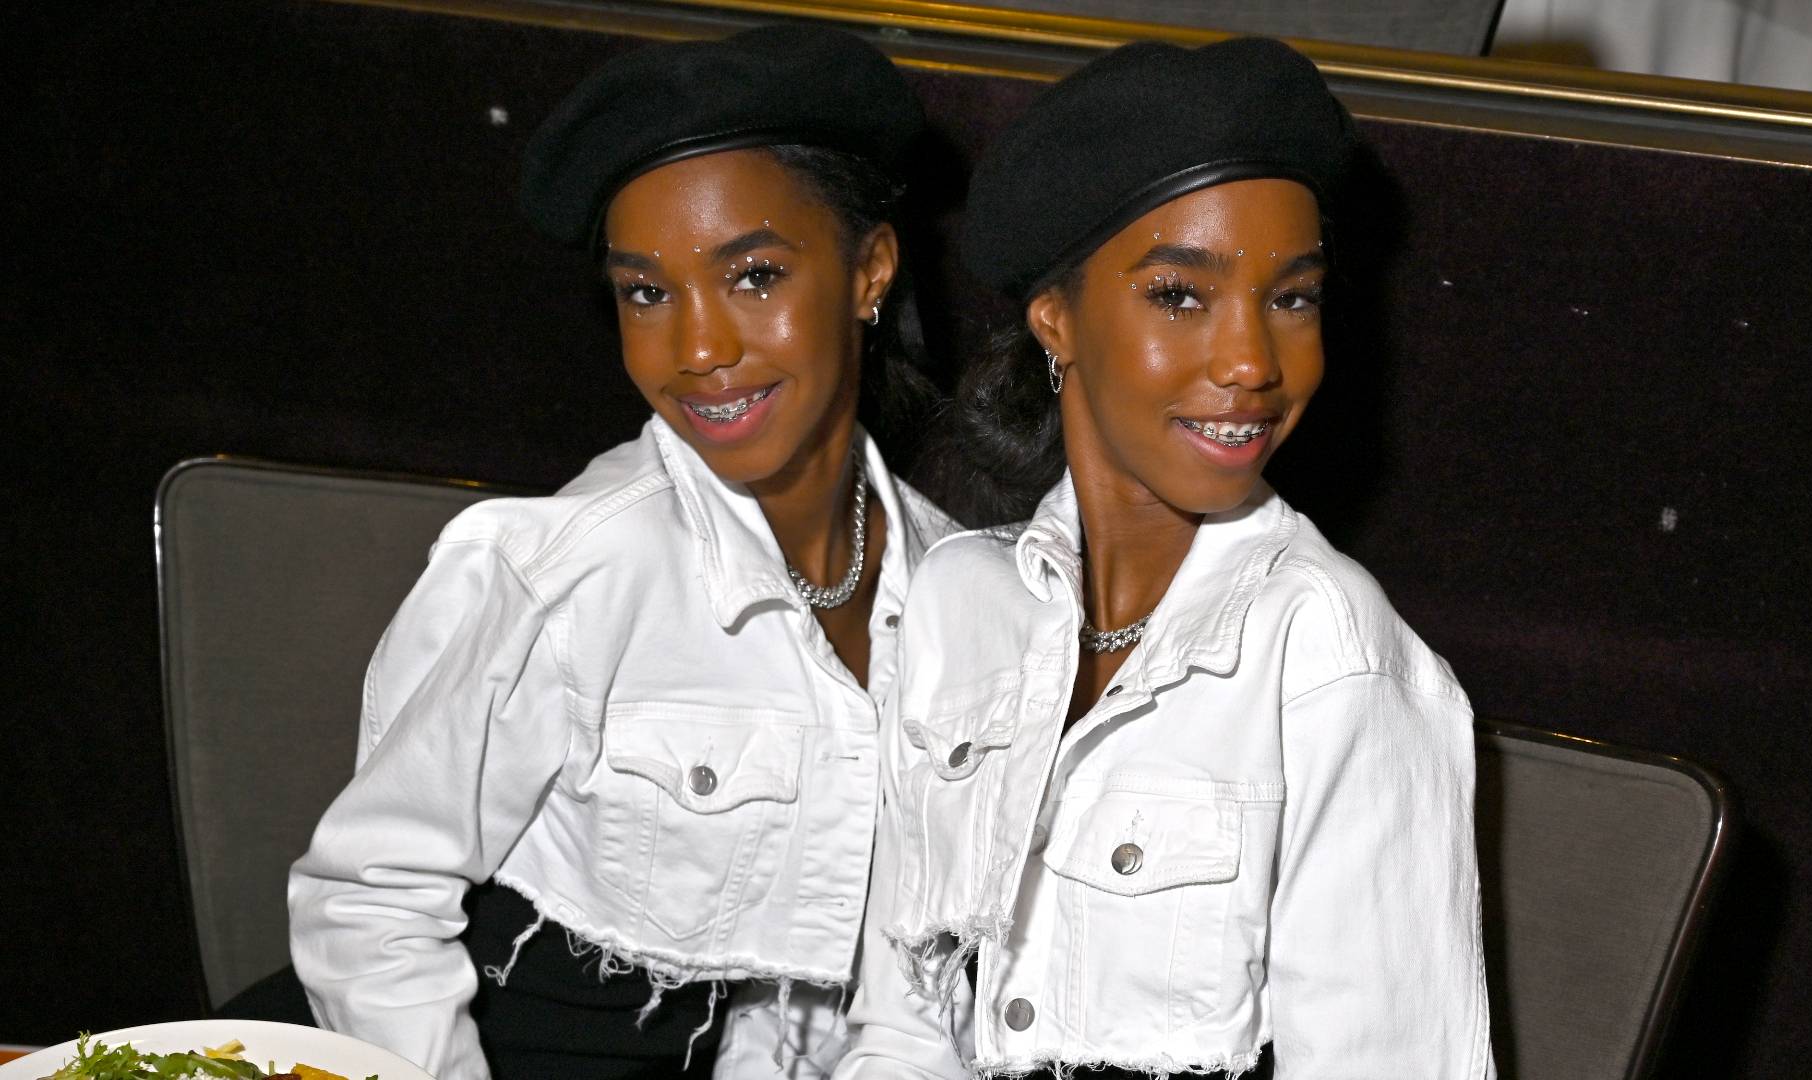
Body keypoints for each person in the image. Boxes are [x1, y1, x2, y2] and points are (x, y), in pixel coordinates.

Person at [288, 25, 954, 1080]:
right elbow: (368, 906)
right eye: (647, 292)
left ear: (869, 269)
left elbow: (885, 988)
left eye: (755, 276)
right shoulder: (563, 572)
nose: (699, 349)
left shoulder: (959, 593)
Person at [838, 37, 1493, 1078]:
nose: (1252, 362)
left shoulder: (1331, 663)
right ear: (1056, 320)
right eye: (1181, 296)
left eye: (1293, 298)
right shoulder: (957, 602)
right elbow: (897, 1029)